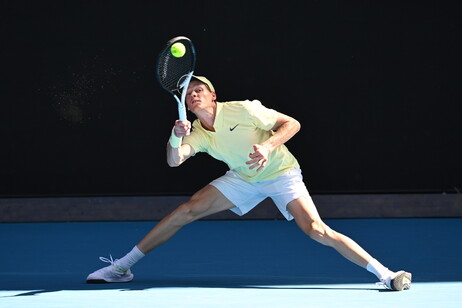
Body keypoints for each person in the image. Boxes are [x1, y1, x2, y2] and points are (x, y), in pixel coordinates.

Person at [86, 76, 412, 291]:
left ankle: (385, 275)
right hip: (243, 178)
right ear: (185, 104)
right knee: (186, 211)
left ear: (213, 95)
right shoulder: (196, 131)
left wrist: (268, 146)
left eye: (199, 90)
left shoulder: (243, 109)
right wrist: (175, 135)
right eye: (188, 93)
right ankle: (122, 268)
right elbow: (175, 160)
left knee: (316, 229)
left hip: (280, 172)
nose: (193, 95)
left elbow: (291, 123)